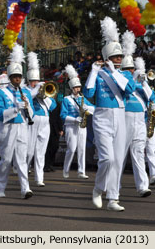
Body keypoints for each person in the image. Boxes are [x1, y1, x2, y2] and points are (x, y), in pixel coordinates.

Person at [83, 17, 135, 211]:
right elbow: (88, 94)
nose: (119, 59)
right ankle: (98, 189)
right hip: (102, 117)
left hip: (120, 116)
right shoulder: (99, 74)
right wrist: (93, 72)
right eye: (116, 57)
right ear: (107, 58)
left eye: (121, 57)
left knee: (118, 159)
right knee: (108, 158)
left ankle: (113, 198)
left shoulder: (125, 74)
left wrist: (114, 72)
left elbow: (129, 89)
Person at [0, 44, 33, 199]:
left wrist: (27, 105)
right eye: (15, 76)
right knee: (7, 160)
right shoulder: (1, 92)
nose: (18, 79)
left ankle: (26, 189)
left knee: (22, 160)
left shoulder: (27, 93)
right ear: (10, 78)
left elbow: (32, 116)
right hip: (8, 128)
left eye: (19, 77)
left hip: (22, 127)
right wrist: (16, 108)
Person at [121, 53, 153, 197]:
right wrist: (132, 80)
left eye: (132, 69)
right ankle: (113, 185)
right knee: (120, 156)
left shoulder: (141, 86)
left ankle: (142, 187)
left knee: (139, 154)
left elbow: (151, 97)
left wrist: (144, 82)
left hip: (140, 121)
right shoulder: (121, 81)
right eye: (127, 69)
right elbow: (125, 90)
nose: (131, 71)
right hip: (125, 120)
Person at [26, 52, 56, 187]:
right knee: (29, 150)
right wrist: (35, 92)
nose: (36, 83)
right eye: (33, 81)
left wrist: (44, 96)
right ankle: (24, 172)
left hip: (45, 120)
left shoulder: (42, 91)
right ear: (28, 81)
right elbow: (26, 99)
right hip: (32, 120)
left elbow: (53, 106)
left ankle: (39, 178)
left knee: (41, 151)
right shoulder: (25, 90)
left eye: (37, 81)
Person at [61, 64, 95, 179]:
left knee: (82, 148)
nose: (78, 89)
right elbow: (63, 115)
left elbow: (94, 109)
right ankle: (66, 169)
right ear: (71, 88)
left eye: (79, 87)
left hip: (82, 126)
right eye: (76, 88)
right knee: (71, 149)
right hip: (71, 126)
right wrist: (74, 119)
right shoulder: (67, 99)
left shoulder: (83, 98)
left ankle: (81, 171)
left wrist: (87, 108)